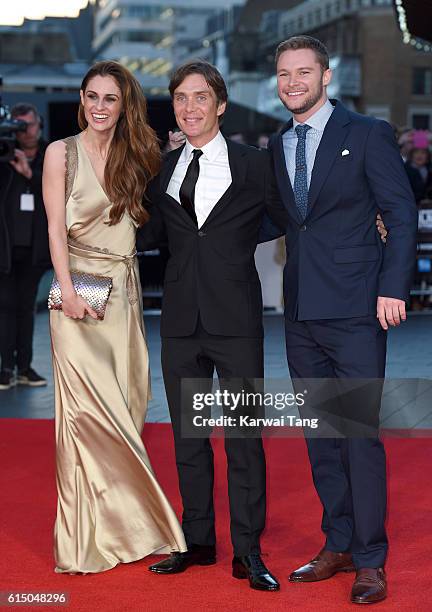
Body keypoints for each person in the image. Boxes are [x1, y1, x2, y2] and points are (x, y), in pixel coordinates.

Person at [262, 36, 417, 604]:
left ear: (327, 76)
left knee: (356, 436)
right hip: (301, 312)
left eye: (304, 72)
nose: (293, 82)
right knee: (321, 437)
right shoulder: (279, 144)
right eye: (284, 74)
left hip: (356, 310)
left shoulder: (368, 134)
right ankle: (340, 542)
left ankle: (371, 560)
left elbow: (400, 216)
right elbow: (279, 221)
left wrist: (392, 289)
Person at [137, 60, 286, 591]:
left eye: (201, 97)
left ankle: (249, 552)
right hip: (179, 321)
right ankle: (197, 541)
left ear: (220, 105)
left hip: (237, 321)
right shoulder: (161, 169)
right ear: (173, 107)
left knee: (245, 441)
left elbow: (287, 217)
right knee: (188, 438)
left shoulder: (255, 165)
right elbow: (145, 235)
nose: (190, 107)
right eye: (181, 98)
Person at [42, 61, 186, 574]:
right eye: (92, 97)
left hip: (123, 294)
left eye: (110, 99)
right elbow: (55, 229)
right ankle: (103, 535)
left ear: (124, 105)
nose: (100, 108)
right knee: (87, 416)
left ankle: (122, 527)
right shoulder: (61, 153)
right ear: (81, 99)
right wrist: (67, 291)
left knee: (128, 407)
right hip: (77, 288)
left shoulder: (138, 154)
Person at [0, 103, 50, 390]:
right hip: (6, 249)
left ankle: (25, 367)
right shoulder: (3, 155)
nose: (26, 131)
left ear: (39, 124)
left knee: (26, 308)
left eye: (29, 125)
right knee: (5, 308)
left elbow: (65, 191)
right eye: (19, 126)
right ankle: (6, 368)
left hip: (35, 248)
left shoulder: (51, 155)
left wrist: (29, 172)